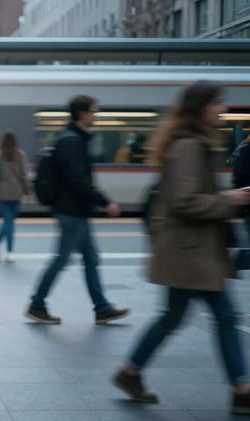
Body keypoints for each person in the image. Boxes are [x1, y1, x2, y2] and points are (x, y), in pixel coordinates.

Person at [112, 81, 250, 414]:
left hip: (191, 251)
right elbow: (184, 201)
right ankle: (242, 389)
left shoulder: (194, 143)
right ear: (201, 107)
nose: (222, 109)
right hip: (192, 252)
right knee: (224, 317)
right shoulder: (189, 147)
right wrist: (227, 199)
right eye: (217, 103)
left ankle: (130, 372)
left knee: (175, 317)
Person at [26, 95, 129, 325]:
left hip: (76, 210)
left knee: (90, 258)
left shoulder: (73, 138)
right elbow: (77, 179)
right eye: (94, 111)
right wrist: (106, 202)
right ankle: (37, 304)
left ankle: (101, 307)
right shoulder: (72, 141)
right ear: (82, 113)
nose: (96, 115)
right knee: (61, 259)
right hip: (71, 210)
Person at [0, 130, 29, 262]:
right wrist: (26, 191)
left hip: (2, 192)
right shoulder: (21, 155)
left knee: (7, 221)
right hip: (17, 192)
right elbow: (24, 174)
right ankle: (9, 251)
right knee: (10, 221)